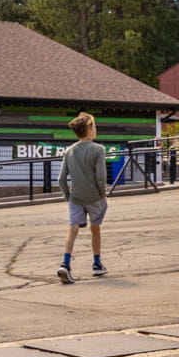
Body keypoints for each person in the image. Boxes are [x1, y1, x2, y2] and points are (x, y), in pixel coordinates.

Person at [57, 112, 109, 284]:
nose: (96, 128)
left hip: (76, 197)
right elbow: (101, 177)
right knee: (95, 229)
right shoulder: (98, 150)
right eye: (94, 125)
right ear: (89, 129)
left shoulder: (69, 151)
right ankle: (96, 263)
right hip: (94, 197)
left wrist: (68, 197)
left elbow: (61, 179)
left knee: (73, 229)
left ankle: (65, 263)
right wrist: (102, 195)